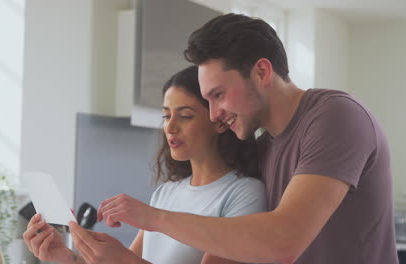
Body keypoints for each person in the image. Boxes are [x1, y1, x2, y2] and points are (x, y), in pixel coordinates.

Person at [96, 13, 398, 264]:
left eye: (219, 95)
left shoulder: (336, 117)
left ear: (262, 72)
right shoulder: (263, 147)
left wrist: (154, 219)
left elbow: (283, 242)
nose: (214, 114)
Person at [23, 66, 267, 263]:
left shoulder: (244, 194)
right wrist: (65, 258)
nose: (170, 127)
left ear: (218, 120)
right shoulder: (165, 194)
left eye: (184, 116)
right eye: (166, 115)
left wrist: (122, 260)